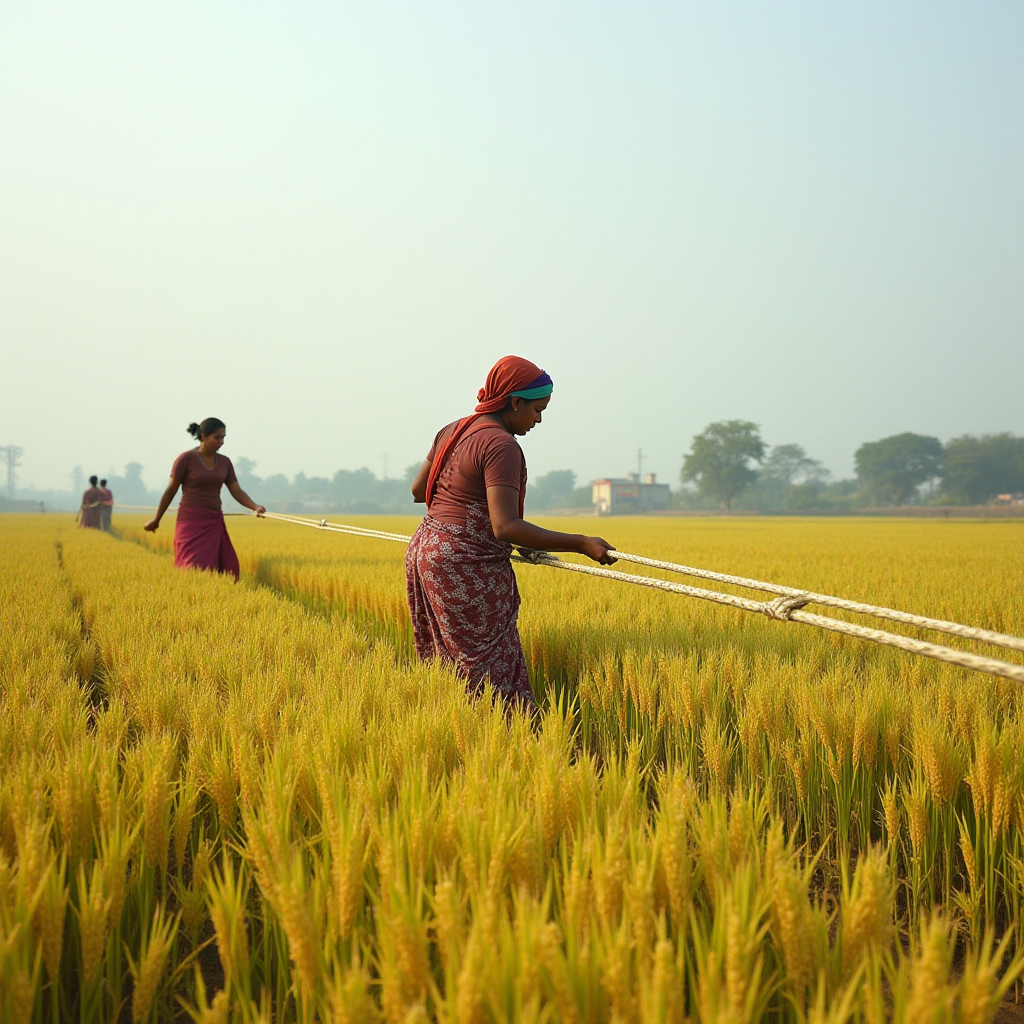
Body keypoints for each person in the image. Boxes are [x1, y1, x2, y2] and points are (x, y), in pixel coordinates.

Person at [407, 355, 616, 711]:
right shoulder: (501, 445)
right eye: (537, 409)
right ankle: (505, 746)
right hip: (466, 565)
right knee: (487, 671)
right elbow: (506, 527)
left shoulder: (452, 429)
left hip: (424, 554)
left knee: (450, 663)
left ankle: (463, 741)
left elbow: (417, 490)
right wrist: (581, 543)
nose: (538, 419)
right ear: (515, 402)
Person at [144, 418, 265, 579]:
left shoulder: (225, 462)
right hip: (190, 523)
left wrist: (255, 506)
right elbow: (170, 491)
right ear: (203, 437)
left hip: (214, 522)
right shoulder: (185, 459)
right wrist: (156, 519)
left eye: (223, 437)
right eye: (217, 437)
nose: (221, 442)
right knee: (194, 567)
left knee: (228, 569)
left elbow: (236, 491)